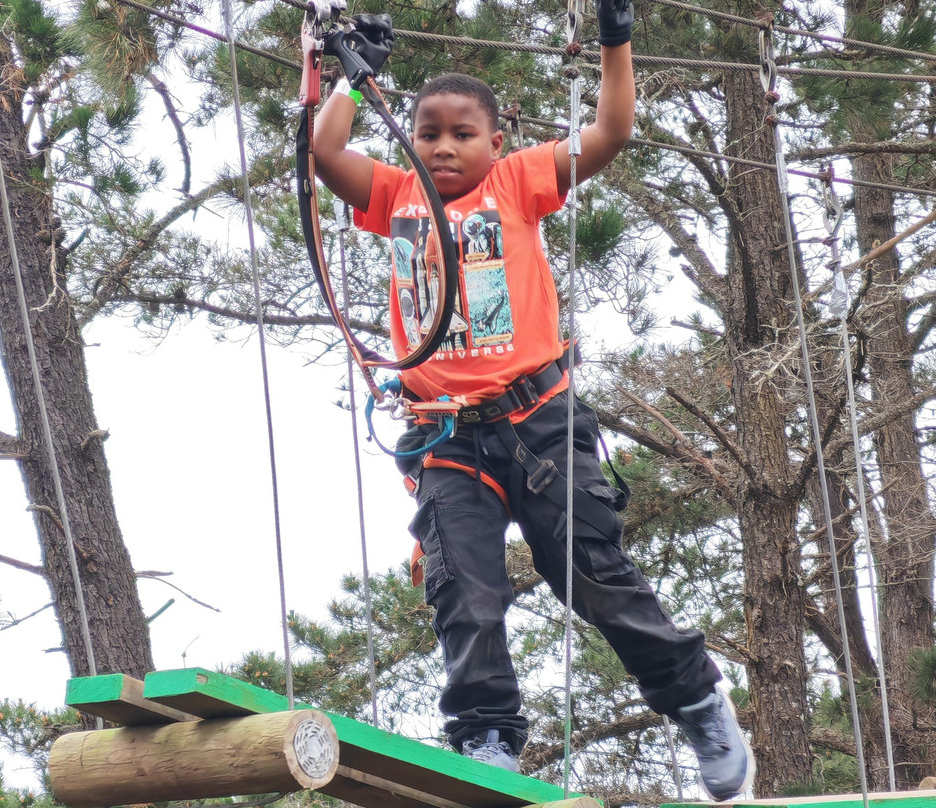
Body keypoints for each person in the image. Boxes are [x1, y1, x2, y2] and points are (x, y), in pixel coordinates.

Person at [312, 2, 755, 800]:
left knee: (593, 574)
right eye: (428, 133)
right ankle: (485, 735)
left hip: (536, 425)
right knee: (465, 595)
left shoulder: (519, 184)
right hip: (446, 437)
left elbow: (612, 130)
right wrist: (354, 77)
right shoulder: (394, 196)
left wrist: (616, 39)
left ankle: (697, 701)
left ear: (497, 142)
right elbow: (325, 153)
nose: (444, 147)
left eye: (463, 134)